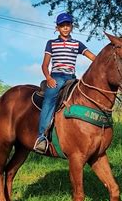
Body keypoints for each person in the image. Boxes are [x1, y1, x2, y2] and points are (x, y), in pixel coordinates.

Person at [33, 12, 96, 153]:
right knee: (49, 100)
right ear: (57, 28)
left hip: (72, 77)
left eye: (68, 25)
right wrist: (49, 78)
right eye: (62, 25)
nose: (65, 28)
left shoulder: (77, 44)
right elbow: (44, 65)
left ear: (72, 26)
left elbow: (92, 57)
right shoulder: (51, 43)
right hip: (57, 76)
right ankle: (42, 137)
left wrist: (103, 62)